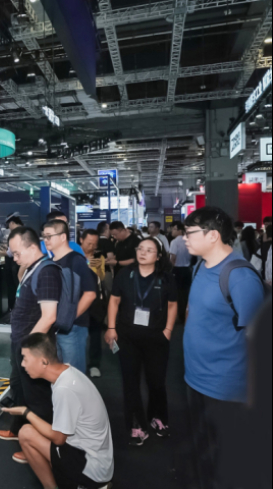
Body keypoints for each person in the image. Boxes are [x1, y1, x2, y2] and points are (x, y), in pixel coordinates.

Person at [183, 207, 266, 489]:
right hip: (195, 379)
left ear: (213, 236)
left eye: (190, 233)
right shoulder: (200, 266)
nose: (184, 238)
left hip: (225, 389)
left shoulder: (239, 276)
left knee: (227, 465)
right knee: (203, 456)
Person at [2, 333, 114, 489]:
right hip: (97, 460)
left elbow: (58, 439)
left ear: (43, 361)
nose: (22, 364)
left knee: (26, 433)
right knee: (35, 428)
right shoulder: (67, 372)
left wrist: (25, 412)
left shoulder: (64, 389)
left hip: (93, 470)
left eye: (25, 358)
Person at [0, 227, 61, 465]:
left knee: (37, 396)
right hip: (21, 342)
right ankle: (20, 431)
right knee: (19, 387)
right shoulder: (33, 268)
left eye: (17, 253)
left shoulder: (47, 272)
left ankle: (37, 445)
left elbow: (49, 316)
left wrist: (28, 350)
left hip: (33, 346)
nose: (14, 258)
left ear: (33, 247)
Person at [105, 237, 178, 447]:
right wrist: (111, 328)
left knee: (156, 382)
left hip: (157, 337)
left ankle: (157, 417)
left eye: (149, 250)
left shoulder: (166, 278)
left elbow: (173, 305)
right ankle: (136, 424)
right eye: (140, 249)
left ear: (159, 256)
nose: (143, 253)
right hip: (127, 337)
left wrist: (168, 331)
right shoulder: (124, 274)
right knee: (130, 382)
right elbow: (114, 301)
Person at [43, 219, 97, 375]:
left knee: (74, 375)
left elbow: (90, 293)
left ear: (62, 237)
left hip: (73, 328)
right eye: (44, 236)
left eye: (49, 236)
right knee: (60, 374)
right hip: (55, 327)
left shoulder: (76, 260)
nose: (46, 240)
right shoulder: (50, 261)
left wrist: (70, 318)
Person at [80, 230, 107, 379]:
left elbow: (101, 278)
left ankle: (94, 364)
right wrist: (86, 264)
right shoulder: (74, 256)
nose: (92, 247)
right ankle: (77, 364)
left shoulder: (99, 257)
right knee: (77, 334)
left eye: (95, 244)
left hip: (95, 301)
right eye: (89, 243)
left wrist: (96, 268)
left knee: (95, 334)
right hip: (78, 301)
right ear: (81, 240)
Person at [0, 215, 24, 310]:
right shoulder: (25, 231)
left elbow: (11, 253)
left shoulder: (16, 233)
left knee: (14, 287)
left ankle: (14, 309)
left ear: (12, 223)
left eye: (8, 225)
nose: (8, 228)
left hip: (15, 266)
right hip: (18, 265)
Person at [169, 222, 192, 323]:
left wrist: (170, 270)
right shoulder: (188, 241)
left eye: (174, 229)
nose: (172, 231)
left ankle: (179, 315)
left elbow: (173, 257)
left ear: (180, 230)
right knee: (186, 293)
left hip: (177, 270)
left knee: (177, 294)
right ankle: (185, 315)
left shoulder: (174, 242)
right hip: (187, 270)